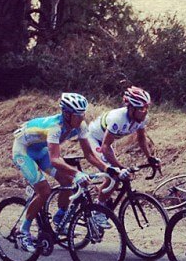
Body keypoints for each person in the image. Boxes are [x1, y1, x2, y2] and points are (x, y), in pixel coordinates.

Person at [12, 92, 116, 252]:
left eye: (83, 114)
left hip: (41, 151)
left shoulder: (80, 126)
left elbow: (89, 154)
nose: (81, 118)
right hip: (23, 151)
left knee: (67, 182)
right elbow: (55, 159)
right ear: (67, 114)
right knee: (44, 191)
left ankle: (60, 218)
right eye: (77, 115)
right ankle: (22, 231)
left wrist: (107, 169)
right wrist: (77, 173)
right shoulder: (55, 127)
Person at [88, 86, 160, 206]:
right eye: (141, 108)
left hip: (105, 142)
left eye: (147, 107)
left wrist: (149, 157)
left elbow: (141, 138)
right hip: (93, 139)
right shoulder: (118, 119)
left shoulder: (142, 118)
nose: (145, 111)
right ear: (131, 108)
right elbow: (105, 147)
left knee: (116, 176)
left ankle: (102, 192)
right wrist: (120, 167)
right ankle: (98, 210)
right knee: (114, 176)